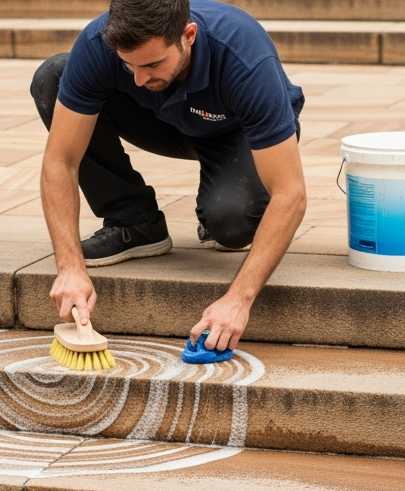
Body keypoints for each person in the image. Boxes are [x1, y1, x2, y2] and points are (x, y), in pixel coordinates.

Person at [31, 0, 307, 354]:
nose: (139, 77)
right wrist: (69, 267)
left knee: (232, 223)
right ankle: (135, 222)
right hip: (159, 117)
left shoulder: (244, 58)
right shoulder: (99, 45)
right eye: (127, 64)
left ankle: (220, 194)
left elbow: (291, 193)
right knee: (52, 77)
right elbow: (61, 161)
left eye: (151, 63)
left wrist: (239, 299)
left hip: (234, 132)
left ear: (188, 36)